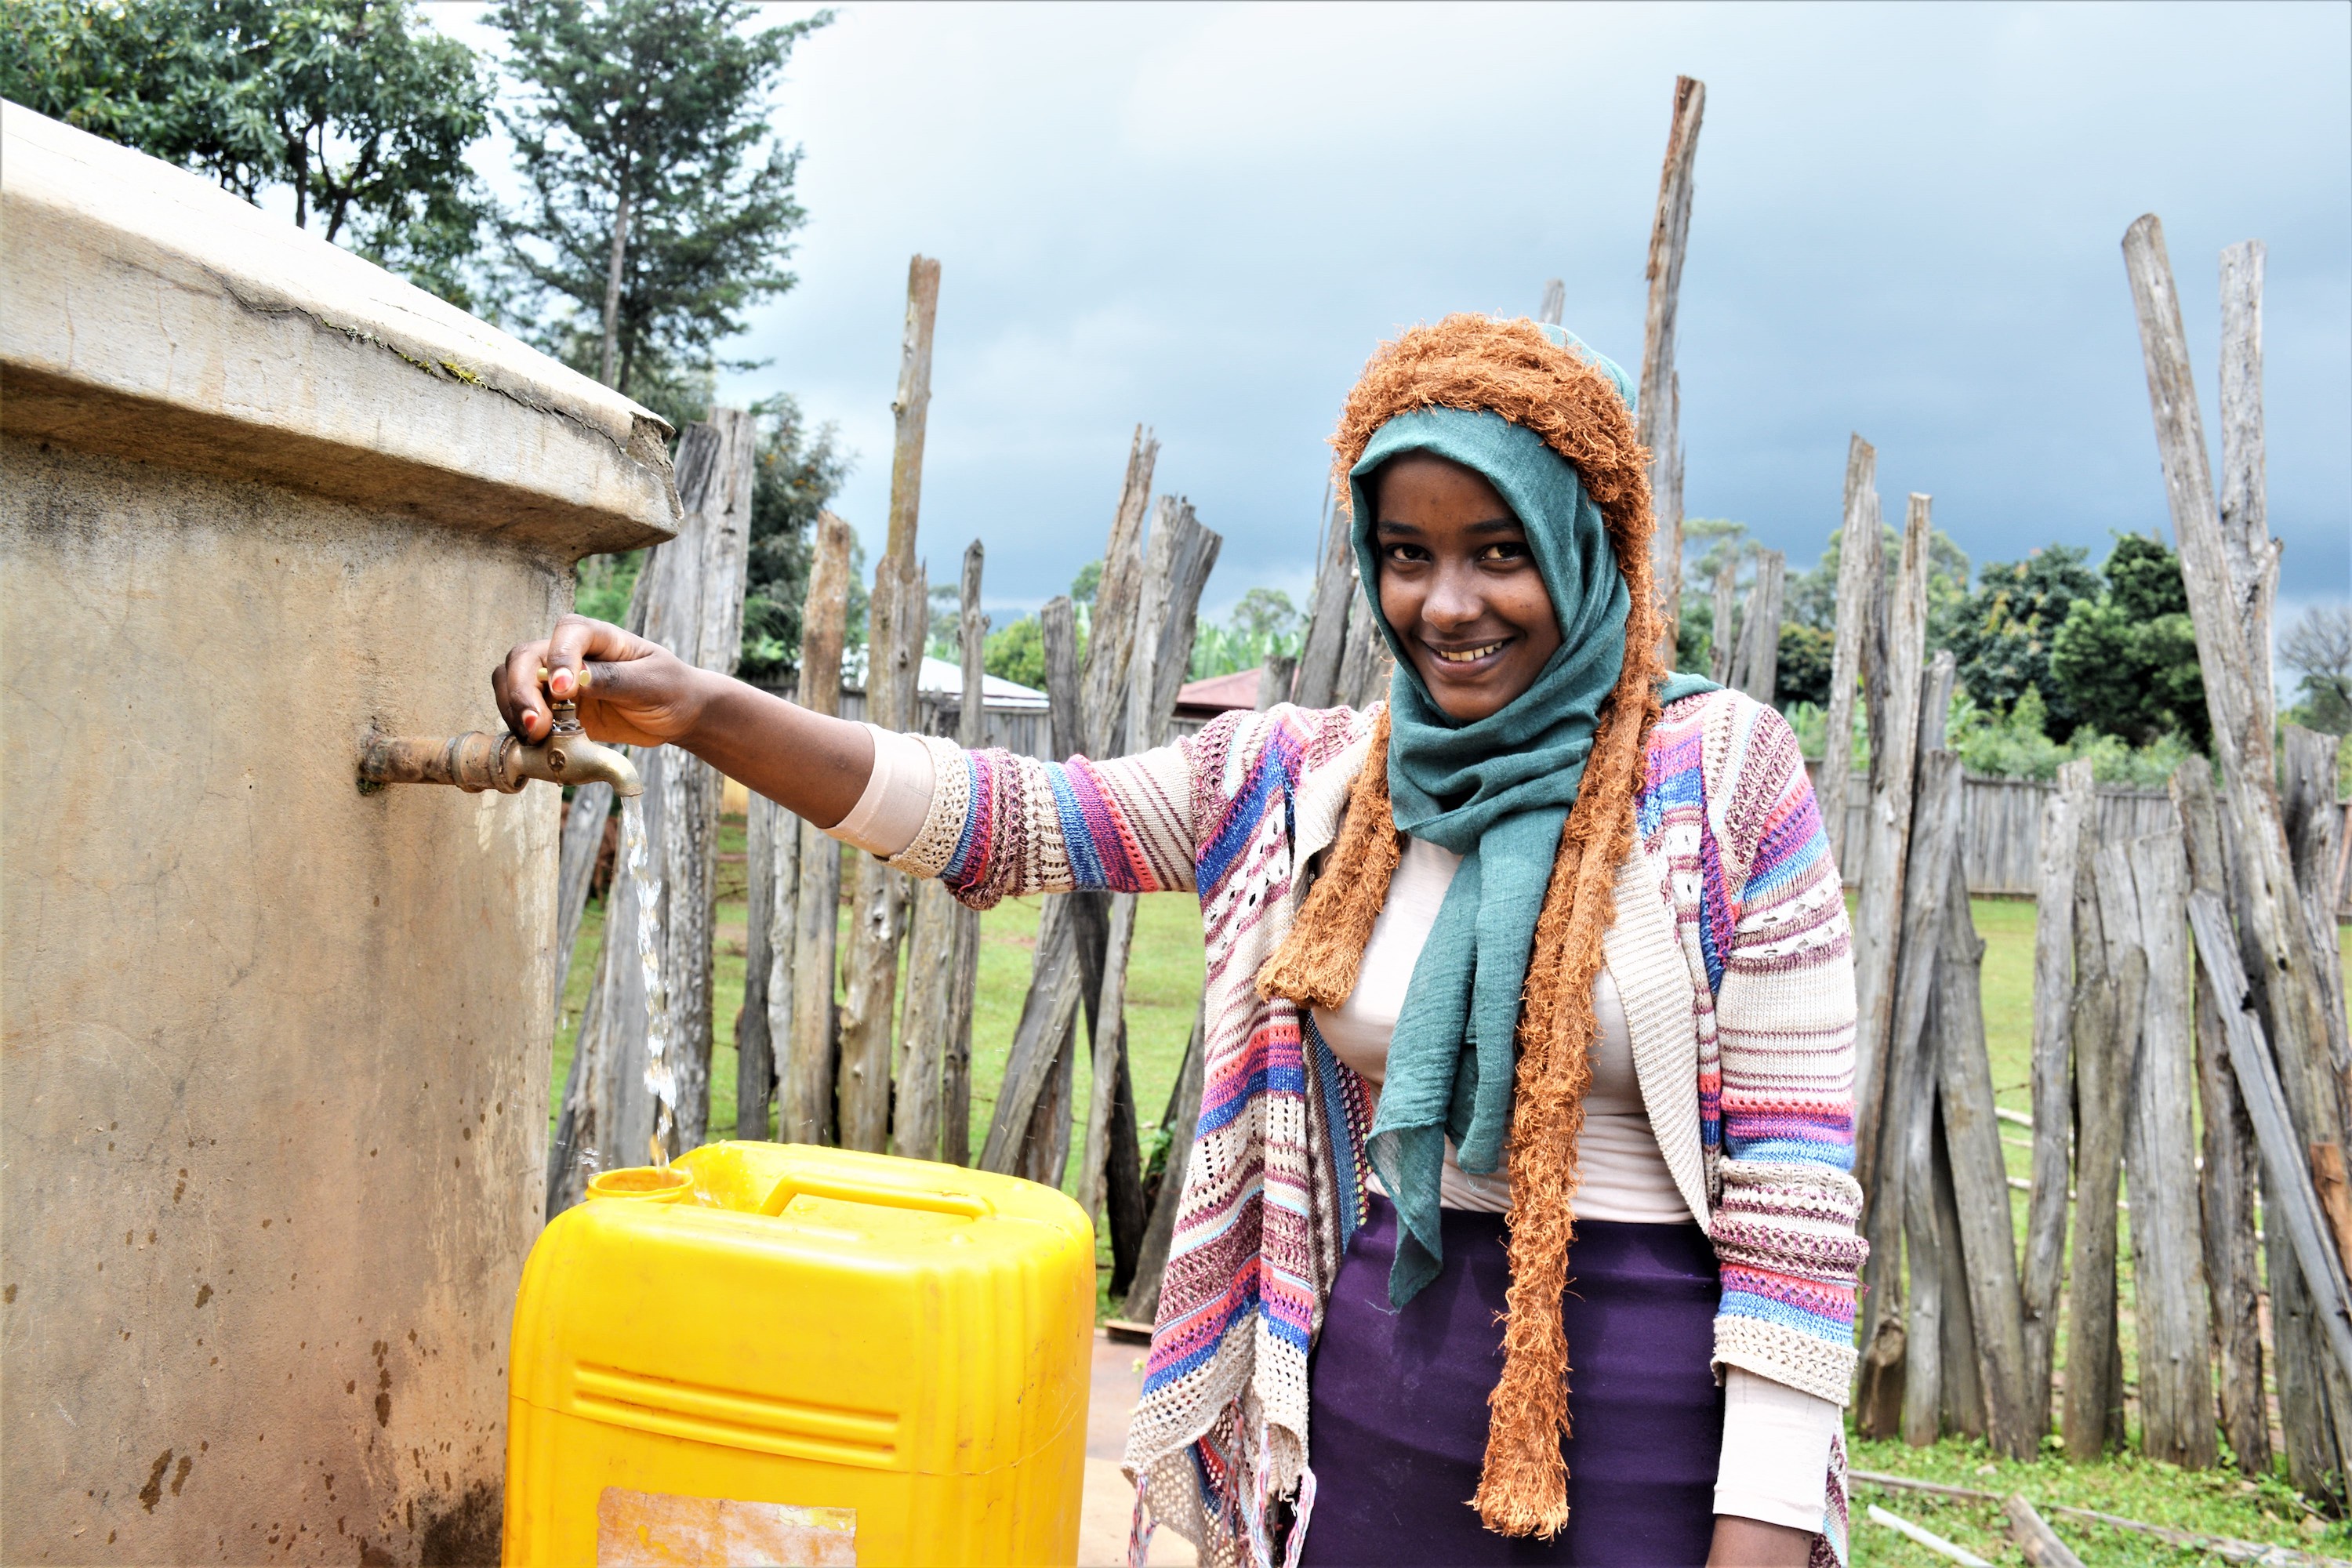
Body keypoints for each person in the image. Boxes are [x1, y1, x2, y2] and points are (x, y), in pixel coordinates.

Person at [495, 315, 1863, 1568]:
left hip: (1654, 1442)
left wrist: (1763, 1531)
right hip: (1371, 1411)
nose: (1449, 605)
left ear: (1586, 542)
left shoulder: (1718, 777)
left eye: (1499, 551)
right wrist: (700, 710)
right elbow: (1006, 819)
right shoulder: (1310, 783)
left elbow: (1797, 1212)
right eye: (1408, 554)